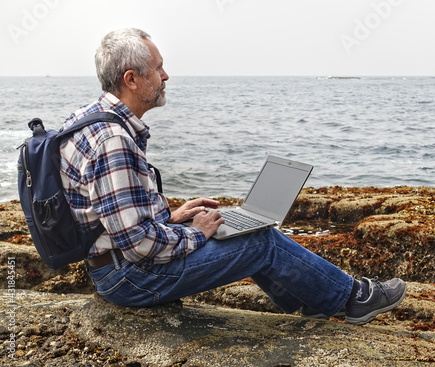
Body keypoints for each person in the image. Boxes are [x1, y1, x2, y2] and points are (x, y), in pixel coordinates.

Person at [59, 28, 406, 325]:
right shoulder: (113, 140)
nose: (165, 76)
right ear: (131, 79)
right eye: (158, 68)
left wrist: (172, 218)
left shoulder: (88, 118)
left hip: (113, 265)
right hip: (131, 279)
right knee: (260, 240)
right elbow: (139, 246)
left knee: (236, 226)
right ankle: (352, 298)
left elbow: (110, 216)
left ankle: (314, 299)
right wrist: (195, 233)